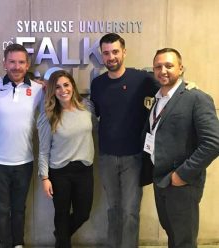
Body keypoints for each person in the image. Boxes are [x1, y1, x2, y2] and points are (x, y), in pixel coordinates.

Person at [141, 48, 219, 248]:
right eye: (158, 66)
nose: (163, 70)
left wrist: (181, 175)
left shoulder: (196, 98)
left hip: (182, 183)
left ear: (181, 68)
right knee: (172, 235)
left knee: (183, 240)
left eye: (169, 65)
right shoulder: (158, 99)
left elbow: (213, 142)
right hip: (161, 180)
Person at [90, 33, 159, 248]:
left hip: (134, 157)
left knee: (130, 212)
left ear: (124, 52)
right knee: (113, 210)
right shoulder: (98, 84)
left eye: (115, 52)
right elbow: (98, 113)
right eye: (106, 53)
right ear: (102, 55)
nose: (111, 57)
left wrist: (187, 85)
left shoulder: (142, 79)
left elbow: (169, 90)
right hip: (107, 156)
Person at [0, 44, 44, 248]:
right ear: (4, 63)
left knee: (19, 209)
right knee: (2, 210)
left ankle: (18, 244)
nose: (16, 66)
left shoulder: (38, 90)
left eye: (20, 62)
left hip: (24, 161)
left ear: (27, 65)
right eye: (12, 61)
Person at [37, 70, 95, 248]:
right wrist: (45, 177)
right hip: (59, 172)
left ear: (73, 86)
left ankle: (60, 235)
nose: (63, 90)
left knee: (83, 213)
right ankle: (62, 242)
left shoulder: (87, 107)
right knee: (61, 214)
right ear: (52, 91)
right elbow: (43, 150)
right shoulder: (48, 115)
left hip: (84, 169)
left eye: (66, 85)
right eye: (57, 87)